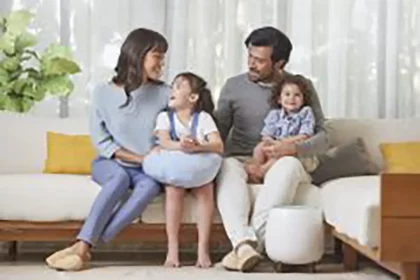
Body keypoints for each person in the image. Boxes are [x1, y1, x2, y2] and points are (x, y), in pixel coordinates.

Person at [45, 28, 170, 271]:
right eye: (157, 56)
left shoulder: (165, 94)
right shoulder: (103, 92)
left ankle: (85, 246)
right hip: (110, 163)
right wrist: (139, 158)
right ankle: (82, 246)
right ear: (138, 55)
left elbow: (175, 129)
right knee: (119, 178)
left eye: (163, 57)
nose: (162, 63)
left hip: (147, 170)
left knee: (150, 187)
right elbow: (101, 141)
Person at [215, 26, 329, 272]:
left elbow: (323, 138)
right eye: (249, 57)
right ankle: (244, 245)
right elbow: (218, 135)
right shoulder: (233, 86)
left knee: (287, 165)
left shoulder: (300, 87)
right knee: (226, 165)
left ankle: (244, 248)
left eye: (259, 60)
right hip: (244, 157)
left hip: (290, 158)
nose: (251, 64)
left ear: (279, 63)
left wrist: (292, 150)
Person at [153, 72, 223, 268]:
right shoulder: (164, 117)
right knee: (173, 190)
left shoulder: (203, 118)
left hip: (199, 169)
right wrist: (181, 146)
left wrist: (197, 146)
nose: (172, 90)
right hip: (176, 169)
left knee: (206, 189)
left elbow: (218, 145)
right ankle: (172, 250)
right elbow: (164, 142)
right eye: (172, 86)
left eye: (178, 86)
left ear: (192, 97)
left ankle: (202, 250)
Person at [245, 74, 317, 183]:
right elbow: (267, 134)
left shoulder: (305, 112)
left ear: (303, 99)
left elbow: (305, 135)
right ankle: (256, 167)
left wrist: (284, 143)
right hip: (276, 143)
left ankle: (262, 170)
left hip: (295, 147)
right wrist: (269, 142)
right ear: (279, 99)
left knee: (280, 153)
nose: (291, 98)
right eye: (287, 94)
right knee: (259, 147)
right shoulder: (275, 114)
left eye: (297, 95)